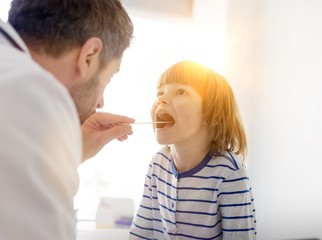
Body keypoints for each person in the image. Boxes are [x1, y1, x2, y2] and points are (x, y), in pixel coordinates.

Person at [0, 0, 134, 239]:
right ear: (89, 56)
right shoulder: (32, 90)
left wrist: (65, 156)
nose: (101, 102)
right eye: (109, 77)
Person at [129, 60, 257, 239]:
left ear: (211, 115)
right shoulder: (158, 163)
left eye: (180, 91)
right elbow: (141, 233)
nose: (161, 99)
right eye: (160, 92)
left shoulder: (228, 172)